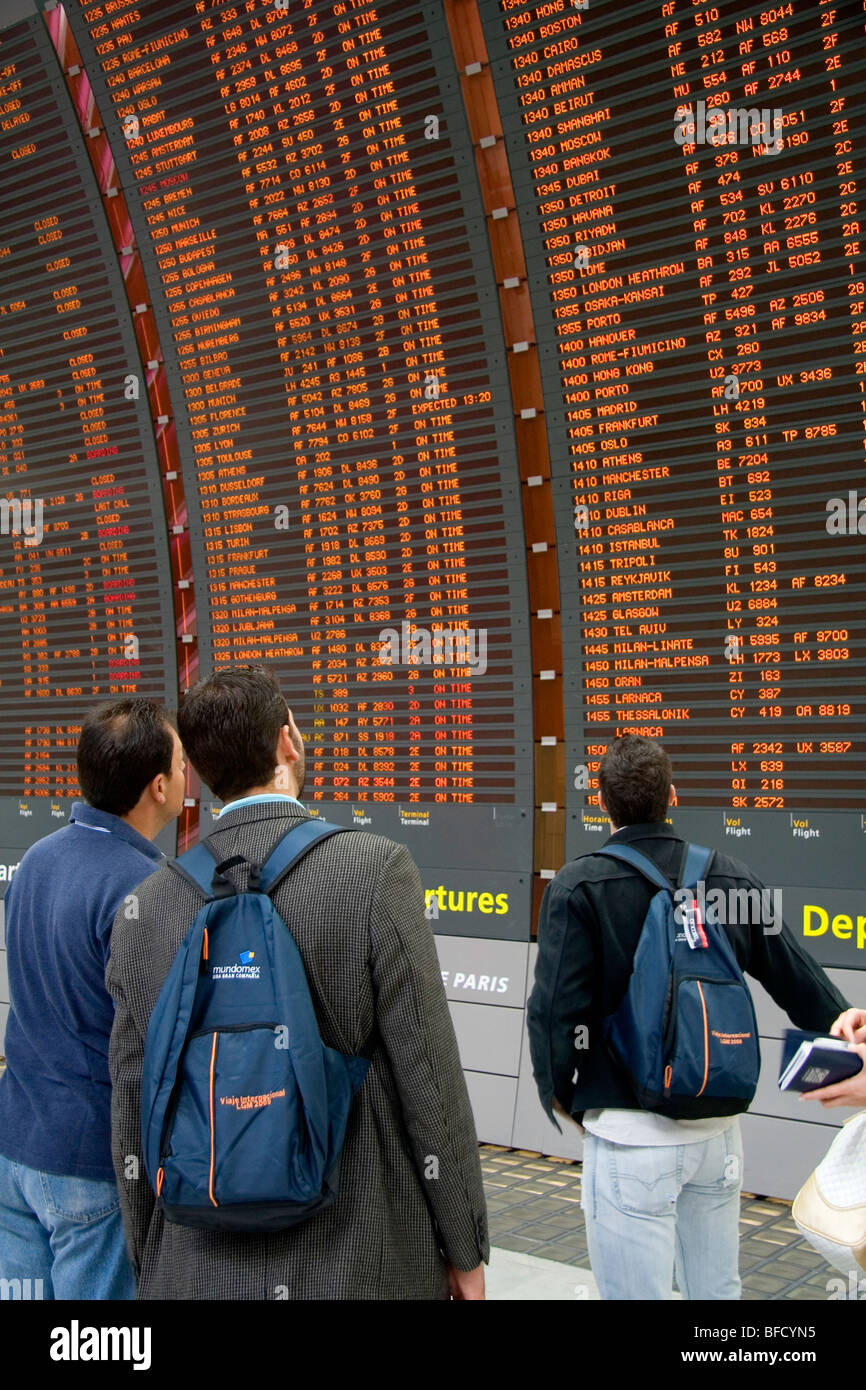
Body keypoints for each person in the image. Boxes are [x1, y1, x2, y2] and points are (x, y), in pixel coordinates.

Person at [107, 663, 488, 1300]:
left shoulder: (147, 907)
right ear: (288, 740)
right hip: (361, 1261)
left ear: (197, 773)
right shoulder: (374, 870)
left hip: (200, 1265)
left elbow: (130, 1098)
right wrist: (465, 1248)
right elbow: (430, 1080)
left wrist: (151, 1257)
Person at [528, 734, 849, 1301]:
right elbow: (800, 983)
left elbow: (555, 1010)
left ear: (602, 803)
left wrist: (561, 1093)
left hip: (630, 1136)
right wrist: (846, 1026)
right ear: (671, 796)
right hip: (718, 1136)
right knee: (716, 1296)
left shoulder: (580, 884)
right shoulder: (729, 877)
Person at [0, 699, 185, 1300]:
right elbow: (162, 1040)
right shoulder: (145, 887)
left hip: (15, 1149)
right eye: (183, 761)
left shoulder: (34, 862)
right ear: (158, 786)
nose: (191, 773)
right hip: (91, 1168)